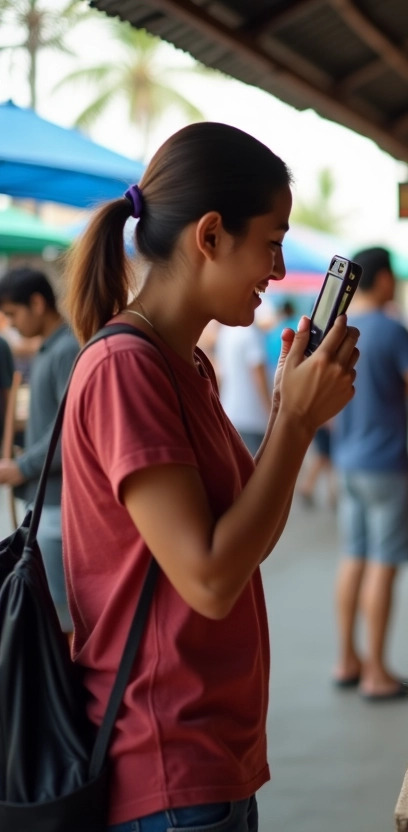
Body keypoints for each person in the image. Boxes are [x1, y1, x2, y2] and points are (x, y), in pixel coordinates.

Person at [61, 122, 358, 831]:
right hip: (165, 758)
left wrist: (293, 413)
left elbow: (248, 541)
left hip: (208, 756)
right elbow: (209, 579)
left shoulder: (187, 366)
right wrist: (291, 426)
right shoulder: (126, 369)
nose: (280, 270)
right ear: (212, 235)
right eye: (272, 240)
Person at [330, 246, 408, 700]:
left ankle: (347, 660)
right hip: (386, 464)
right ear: (384, 279)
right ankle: (375, 673)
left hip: (348, 460)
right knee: (383, 567)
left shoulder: (340, 329)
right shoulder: (393, 330)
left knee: (354, 557)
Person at [0, 267, 79, 632]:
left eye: (13, 314)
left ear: (37, 303)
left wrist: (23, 466)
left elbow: (73, 432)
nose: (12, 325)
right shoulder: (49, 349)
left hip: (58, 506)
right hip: (46, 502)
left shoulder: (66, 349)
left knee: (61, 619)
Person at [215, 322, 272, 453]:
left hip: (230, 411)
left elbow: (220, 374)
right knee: (257, 468)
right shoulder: (251, 333)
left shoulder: (226, 332)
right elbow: (258, 374)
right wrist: (270, 411)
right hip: (253, 415)